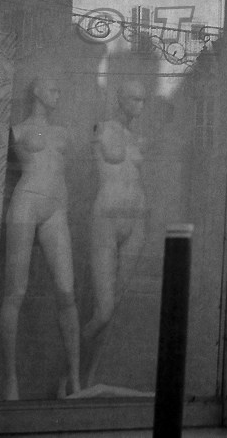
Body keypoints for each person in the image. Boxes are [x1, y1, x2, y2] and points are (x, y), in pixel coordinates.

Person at [0, 77, 81, 399]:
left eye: (59, 88)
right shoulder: (17, 131)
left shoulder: (63, 133)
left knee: (67, 291)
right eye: (52, 87)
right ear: (36, 90)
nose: (57, 93)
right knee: (15, 292)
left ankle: (74, 379)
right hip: (26, 203)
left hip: (56, 209)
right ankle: (11, 381)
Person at [82, 80, 148, 386]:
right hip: (106, 219)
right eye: (134, 99)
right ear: (120, 99)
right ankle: (69, 368)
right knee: (104, 311)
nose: (139, 106)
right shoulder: (102, 128)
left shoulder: (138, 138)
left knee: (115, 306)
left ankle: (90, 375)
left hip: (136, 221)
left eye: (142, 100)